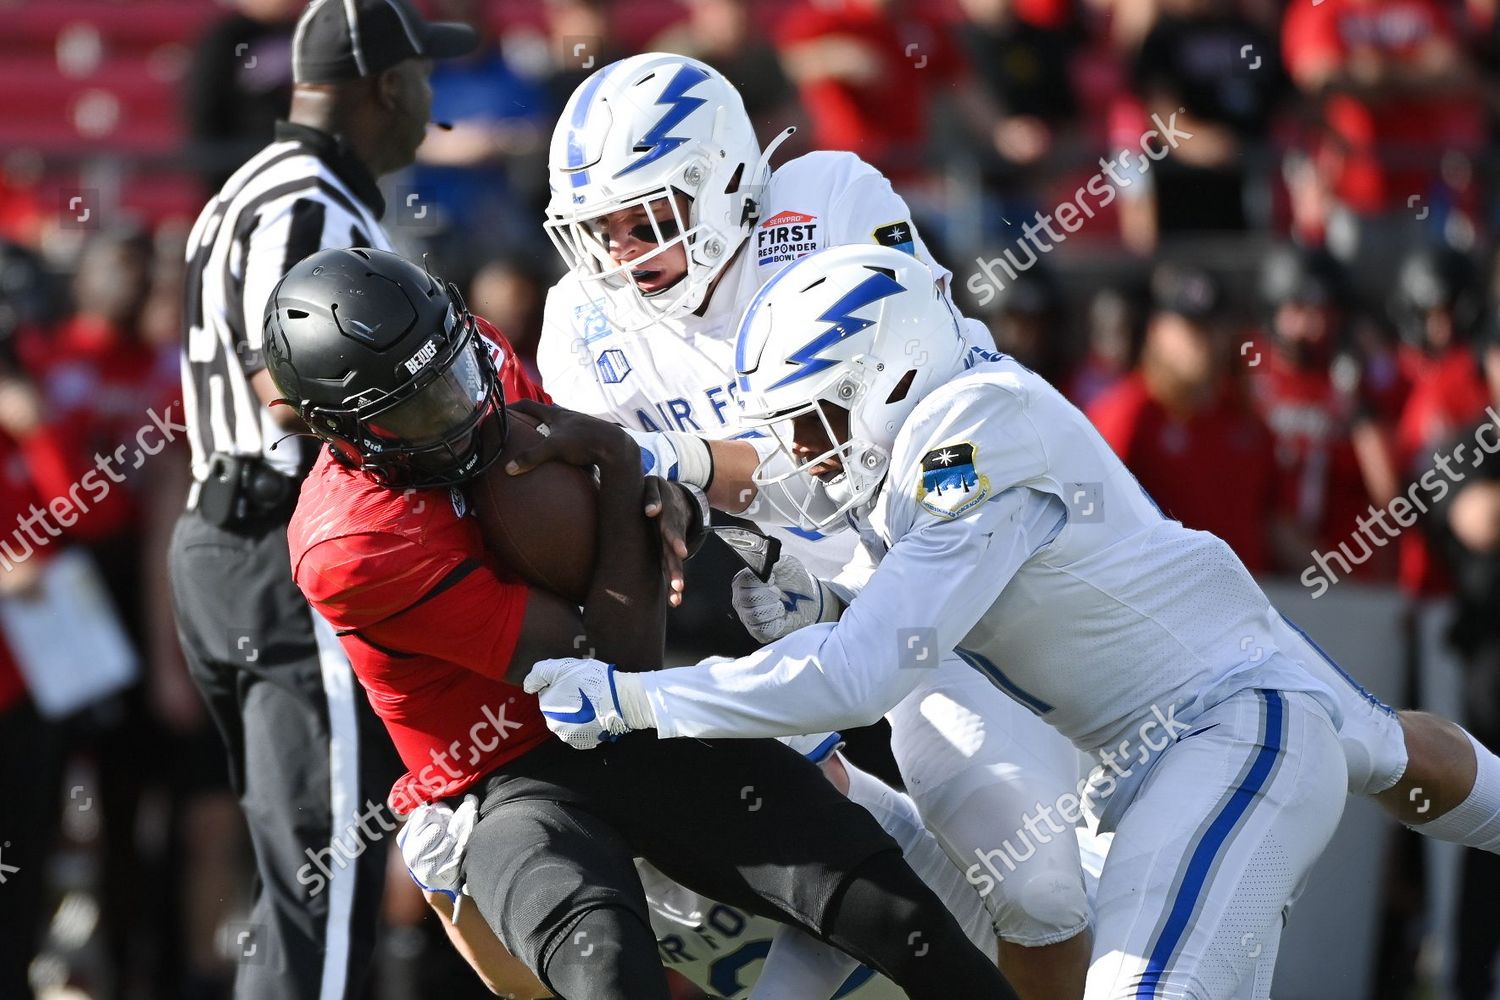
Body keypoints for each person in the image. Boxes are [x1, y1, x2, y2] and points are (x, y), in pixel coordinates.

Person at [526, 243, 1354, 996]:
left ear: (890, 376)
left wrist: (639, 699)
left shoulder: (968, 447)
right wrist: (814, 595)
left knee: (1065, 913)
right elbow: (884, 599)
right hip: (1103, 729)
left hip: (1194, 736)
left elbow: (866, 666)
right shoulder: (916, 442)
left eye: (818, 419)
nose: (806, 450)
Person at [266, 246, 1019, 1000]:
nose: (462, 410)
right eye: (420, 408)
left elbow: (611, 629)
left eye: (456, 375)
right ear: (345, 432)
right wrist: (618, 462)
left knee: (891, 907)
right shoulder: (354, 547)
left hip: (638, 723)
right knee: (604, 970)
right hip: (502, 777)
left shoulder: (480, 354)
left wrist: (658, 500)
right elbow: (610, 659)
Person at [534, 52, 1090, 998]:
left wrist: (696, 466)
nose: (622, 254)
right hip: (774, 611)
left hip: (950, 570)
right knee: (751, 889)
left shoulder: (825, 206)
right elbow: (634, 525)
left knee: (1034, 881)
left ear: (722, 182)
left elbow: (881, 432)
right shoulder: (581, 324)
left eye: (645, 219)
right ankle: (883, 834)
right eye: (600, 231)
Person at [167, 3, 484, 997]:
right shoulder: (309, 199)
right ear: (387, 86)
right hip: (285, 550)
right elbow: (289, 378)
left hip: (219, 549)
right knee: (326, 879)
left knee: (295, 873)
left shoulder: (248, 182)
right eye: (423, 78)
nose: (433, 105)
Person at [398, 731, 1001, 999]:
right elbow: (523, 985)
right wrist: (445, 893)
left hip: (988, 954)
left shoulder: (716, 748)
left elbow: (860, 902)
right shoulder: (547, 845)